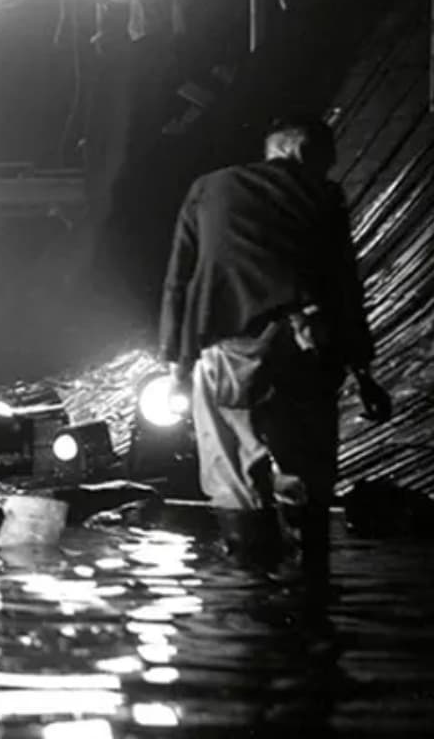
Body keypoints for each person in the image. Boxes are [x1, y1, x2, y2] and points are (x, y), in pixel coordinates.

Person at [159, 114, 391, 576]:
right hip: (308, 347)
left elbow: (178, 282)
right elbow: (345, 287)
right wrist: (364, 373)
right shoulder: (323, 195)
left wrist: (176, 367)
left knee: (233, 476)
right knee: (310, 473)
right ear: (307, 154)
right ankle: (312, 589)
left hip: (229, 350)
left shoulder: (209, 188)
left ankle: (250, 592)